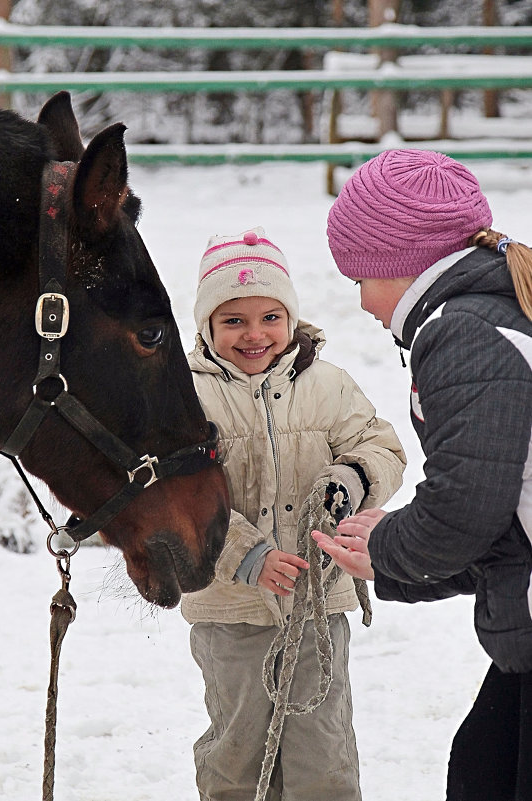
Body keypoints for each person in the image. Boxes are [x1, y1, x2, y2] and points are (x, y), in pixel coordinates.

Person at [313, 148, 532, 801]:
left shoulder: (462, 330)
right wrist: (393, 566)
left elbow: (467, 503)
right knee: (482, 763)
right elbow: (505, 526)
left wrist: (389, 546)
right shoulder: (495, 311)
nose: (359, 302)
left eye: (360, 278)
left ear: (400, 264)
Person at [181, 227, 406, 801]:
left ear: (291, 317)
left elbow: (381, 446)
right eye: (233, 321)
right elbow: (175, 489)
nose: (255, 335)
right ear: (207, 324)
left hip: (316, 601)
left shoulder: (326, 385)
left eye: (270, 317)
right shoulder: (184, 397)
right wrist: (244, 554)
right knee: (238, 744)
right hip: (229, 608)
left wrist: (349, 482)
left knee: (322, 749)